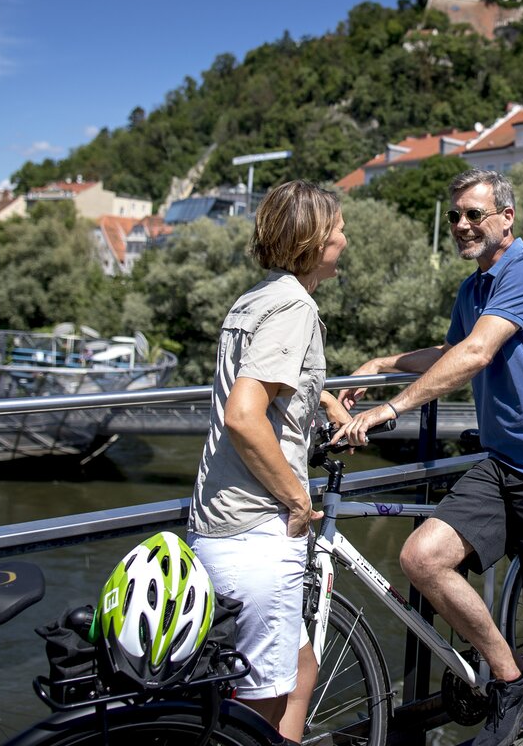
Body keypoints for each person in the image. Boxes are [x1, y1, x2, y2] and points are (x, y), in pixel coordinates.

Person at [335, 169, 523, 746]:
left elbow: (479, 353)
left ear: (506, 218)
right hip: (504, 459)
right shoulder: (472, 288)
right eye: (456, 214)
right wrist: (380, 364)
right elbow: (452, 349)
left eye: (474, 215)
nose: (462, 224)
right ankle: (510, 679)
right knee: (423, 557)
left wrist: (390, 410)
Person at [187, 180, 350, 744]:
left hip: (219, 524)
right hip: (258, 530)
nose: (344, 240)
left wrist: (322, 399)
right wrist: (297, 499)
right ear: (311, 240)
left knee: (300, 669)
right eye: (337, 229)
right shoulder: (293, 307)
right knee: (255, 713)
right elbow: (244, 414)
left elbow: (263, 383)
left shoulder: (257, 297)